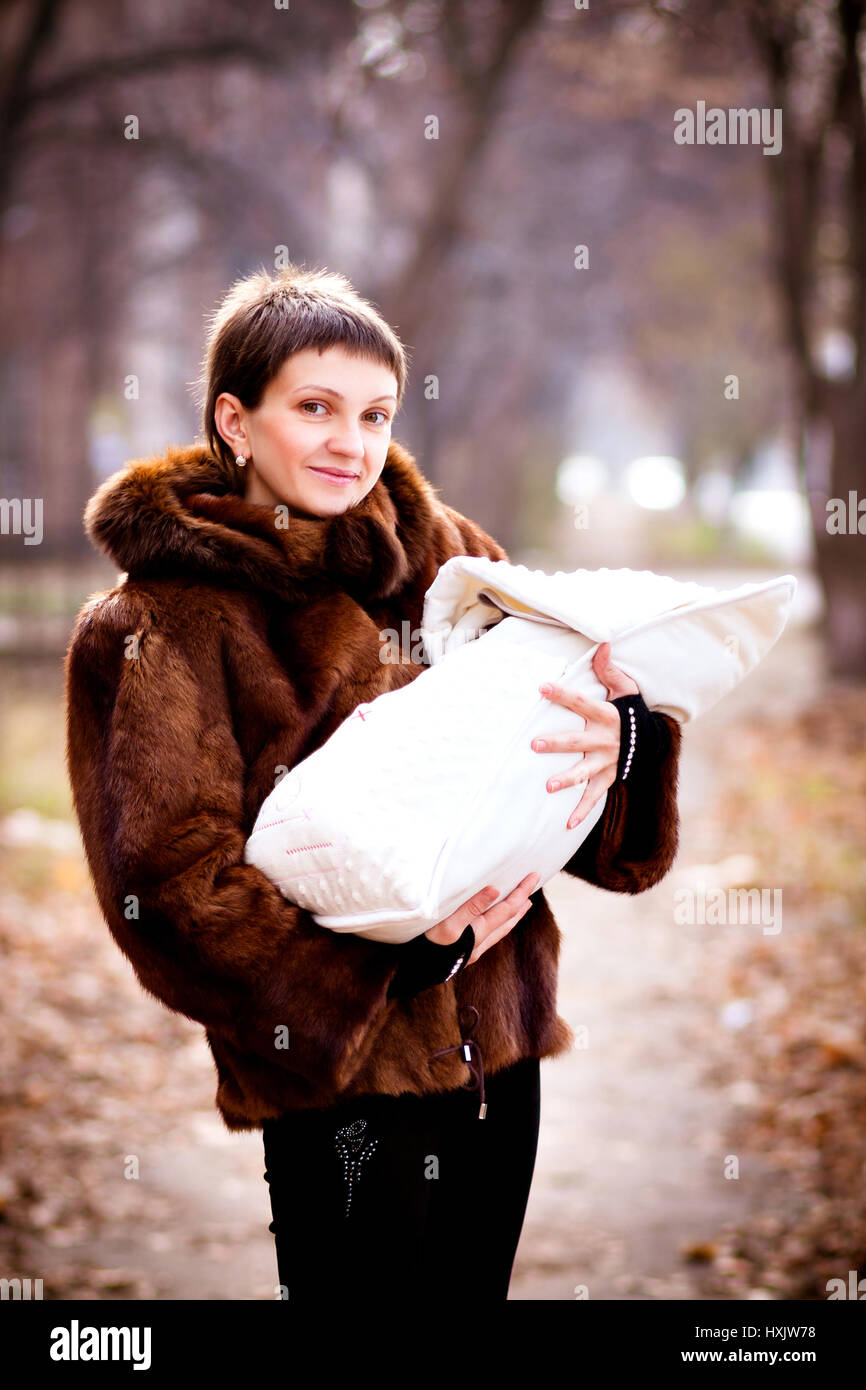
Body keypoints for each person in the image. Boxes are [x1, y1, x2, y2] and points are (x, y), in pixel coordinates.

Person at [64, 262, 682, 1302]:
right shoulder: (152, 625)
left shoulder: (456, 567)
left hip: (498, 1059)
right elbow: (168, 891)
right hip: (339, 1083)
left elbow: (593, 830)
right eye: (314, 408)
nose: (352, 442)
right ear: (235, 419)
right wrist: (399, 967)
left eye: (375, 412)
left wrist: (622, 743)